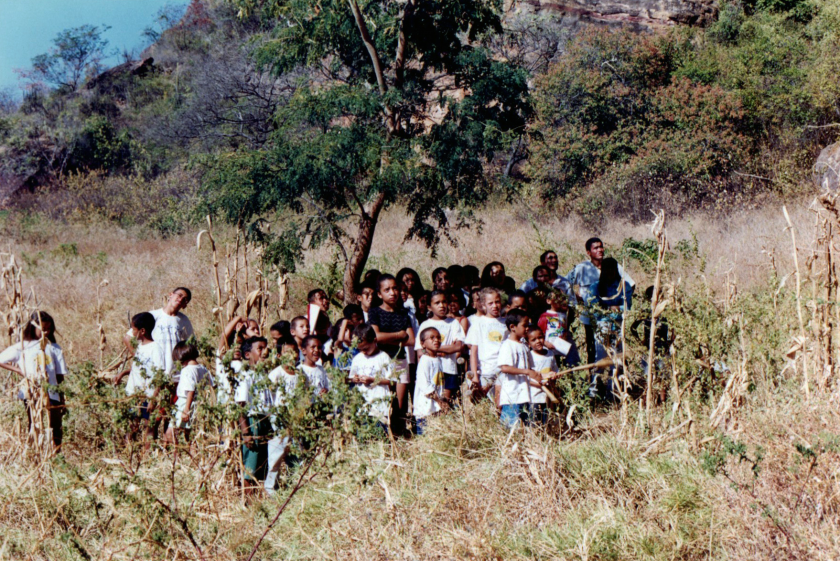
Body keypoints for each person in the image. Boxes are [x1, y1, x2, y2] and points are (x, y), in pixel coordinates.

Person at [0, 311, 69, 450]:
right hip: (30, 392)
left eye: (49, 329)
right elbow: (1, 360)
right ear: (33, 327)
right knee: (34, 423)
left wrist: (62, 396)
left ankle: (56, 454)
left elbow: (60, 375)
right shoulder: (22, 347)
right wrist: (19, 370)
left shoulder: (54, 347)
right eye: (43, 329)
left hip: (52, 392)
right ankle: (35, 452)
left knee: (55, 425)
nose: (46, 332)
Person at [568, 239, 635, 364]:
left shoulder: (613, 265)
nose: (600, 250)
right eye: (595, 248)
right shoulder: (582, 268)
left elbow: (631, 284)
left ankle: (614, 379)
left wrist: (622, 302)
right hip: (591, 317)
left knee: (617, 350)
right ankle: (595, 378)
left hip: (616, 320)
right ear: (588, 252)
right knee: (594, 349)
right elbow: (566, 283)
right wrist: (577, 298)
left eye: (601, 247)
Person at [367, 274, 415, 435]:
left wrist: (389, 338)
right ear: (379, 294)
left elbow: (410, 340)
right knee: (384, 401)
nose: (392, 292)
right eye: (387, 290)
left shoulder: (403, 313)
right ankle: (383, 437)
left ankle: (399, 437)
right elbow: (376, 337)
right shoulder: (374, 312)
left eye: (395, 288)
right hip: (381, 362)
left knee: (400, 405)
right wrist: (398, 335)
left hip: (400, 360)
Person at [113, 312, 167, 448]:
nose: (131, 332)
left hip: (147, 395)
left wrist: (153, 399)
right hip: (133, 394)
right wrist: (123, 373)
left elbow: (159, 375)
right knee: (132, 425)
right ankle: (129, 452)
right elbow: (139, 369)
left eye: (133, 329)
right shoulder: (140, 348)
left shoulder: (155, 349)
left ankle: (147, 457)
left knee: (149, 427)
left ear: (142, 331)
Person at [584, 257, 634, 399]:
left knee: (617, 359)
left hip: (619, 326)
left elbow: (627, 307)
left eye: (612, 268)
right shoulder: (595, 287)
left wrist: (616, 307)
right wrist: (608, 308)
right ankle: (594, 391)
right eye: (607, 269)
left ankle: (613, 392)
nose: (610, 272)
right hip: (602, 325)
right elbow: (593, 308)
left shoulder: (624, 286)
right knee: (600, 359)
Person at [126, 287, 194, 375]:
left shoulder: (184, 321)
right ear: (171, 295)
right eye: (179, 295)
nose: (181, 299)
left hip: (175, 372)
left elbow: (191, 344)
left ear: (185, 305)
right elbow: (128, 337)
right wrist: (139, 358)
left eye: (185, 299)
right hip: (153, 370)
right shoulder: (153, 315)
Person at [415, 291, 466, 404]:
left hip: (448, 368)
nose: (441, 305)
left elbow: (458, 346)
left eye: (444, 302)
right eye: (437, 303)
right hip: (430, 370)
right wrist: (446, 349)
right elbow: (420, 351)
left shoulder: (453, 323)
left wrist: (433, 349)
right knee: (432, 402)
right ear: (429, 307)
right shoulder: (425, 325)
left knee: (445, 403)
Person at [234, 336, 271, 497]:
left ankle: (257, 498)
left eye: (266, 348)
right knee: (251, 465)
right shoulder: (246, 375)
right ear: (248, 354)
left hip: (265, 420)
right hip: (253, 421)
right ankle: (248, 499)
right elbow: (240, 405)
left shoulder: (265, 374)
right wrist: (246, 432)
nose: (265, 352)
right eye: (260, 348)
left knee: (262, 464)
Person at [348, 324, 397, 436]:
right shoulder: (357, 358)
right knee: (363, 434)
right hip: (363, 405)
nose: (363, 352)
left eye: (365, 348)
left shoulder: (384, 357)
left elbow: (392, 380)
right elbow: (351, 377)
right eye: (360, 349)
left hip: (379, 404)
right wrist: (354, 379)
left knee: (380, 434)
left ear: (375, 341)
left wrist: (374, 380)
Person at [496, 309, 540, 428]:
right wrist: (527, 372)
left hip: (524, 395)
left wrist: (545, 376)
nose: (527, 328)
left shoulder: (525, 346)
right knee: (510, 427)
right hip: (512, 395)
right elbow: (504, 368)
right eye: (524, 325)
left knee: (524, 427)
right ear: (513, 327)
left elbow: (531, 369)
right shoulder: (507, 345)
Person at [464, 287, 508, 404]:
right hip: (485, 371)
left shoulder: (505, 323)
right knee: (483, 403)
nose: (495, 306)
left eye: (497, 302)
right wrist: (474, 376)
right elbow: (473, 351)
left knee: (500, 404)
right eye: (490, 303)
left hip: (502, 370)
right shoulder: (478, 323)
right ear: (483, 305)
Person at [166, 341, 212, 446]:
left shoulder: (187, 370)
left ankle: (177, 457)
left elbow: (190, 390)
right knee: (191, 435)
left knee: (170, 433)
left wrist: (186, 409)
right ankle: (192, 456)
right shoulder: (203, 368)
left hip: (185, 402)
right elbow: (211, 385)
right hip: (199, 403)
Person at [413, 327, 448, 434]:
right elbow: (425, 386)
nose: (436, 340)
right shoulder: (425, 361)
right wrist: (439, 401)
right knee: (426, 437)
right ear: (423, 343)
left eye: (438, 337)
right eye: (432, 338)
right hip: (425, 409)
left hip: (435, 408)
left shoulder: (438, 360)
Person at [526, 325, 558, 427]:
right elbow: (527, 377)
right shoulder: (529, 356)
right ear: (528, 343)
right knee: (534, 422)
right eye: (533, 340)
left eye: (540, 338)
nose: (538, 341)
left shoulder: (550, 354)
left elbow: (554, 370)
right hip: (534, 396)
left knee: (546, 422)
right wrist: (539, 383)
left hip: (547, 396)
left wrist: (554, 377)